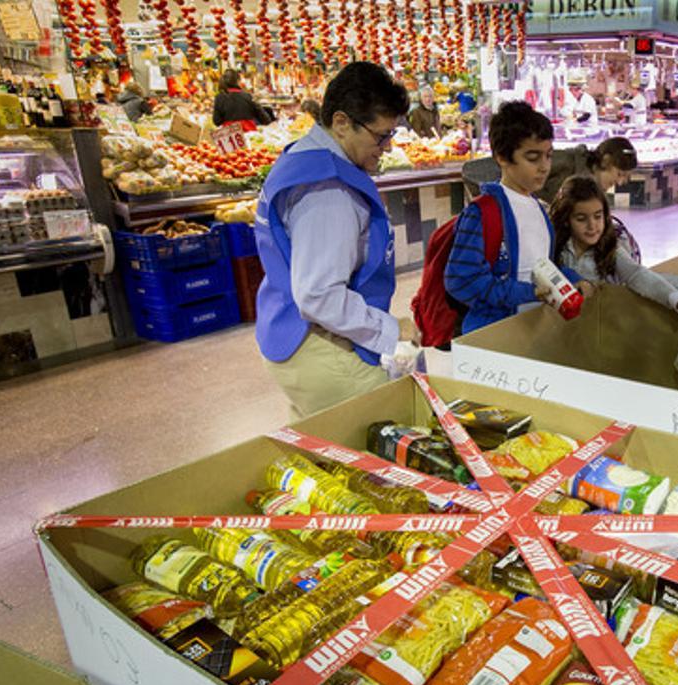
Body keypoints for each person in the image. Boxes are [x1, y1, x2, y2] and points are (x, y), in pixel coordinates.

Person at [254, 62, 416, 419]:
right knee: (389, 438)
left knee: (322, 449)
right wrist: (391, 329)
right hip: (319, 345)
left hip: (285, 331)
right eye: (380, 136)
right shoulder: (329, 190)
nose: (386, 148)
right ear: (342, 122)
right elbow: (318, 294)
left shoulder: (302, 157)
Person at [446, 101, 593, 334]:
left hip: (532, 334)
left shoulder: (539, 208)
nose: (545, 167)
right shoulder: (482, 213)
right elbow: (461, 281)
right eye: (533, 158)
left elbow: (542, 267)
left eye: (548, 156)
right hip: (493, 341)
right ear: (502, 157)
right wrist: (527, 292)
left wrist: (571, 280)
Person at [550, 176, 678, 316]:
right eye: (581, 219)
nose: (592, 226)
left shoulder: (610, 249)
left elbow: (637, 274)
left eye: (598, 216)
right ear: (566, 220)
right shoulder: (557, 246)